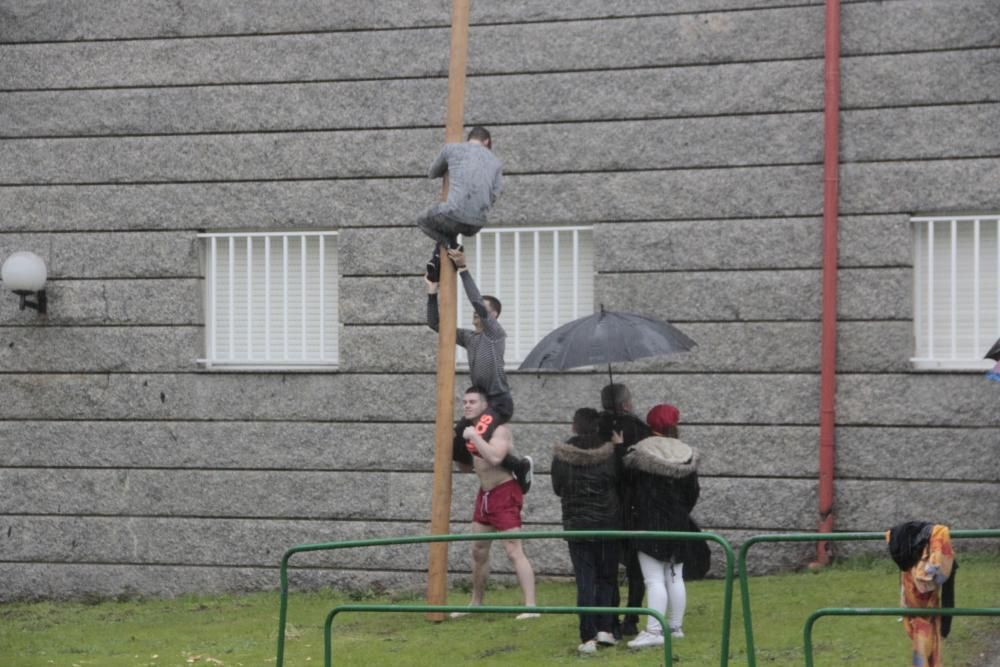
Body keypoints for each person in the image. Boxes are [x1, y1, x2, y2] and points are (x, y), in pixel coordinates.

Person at [426, 248, 533, 493]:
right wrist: (432, 293)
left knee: (478, 434)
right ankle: (499, 466)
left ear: (493, 316)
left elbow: (477, 301)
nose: (476, 311)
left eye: (483, 310)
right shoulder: (470, 338)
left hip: (499, 402)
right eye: (476, 310)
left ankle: (519, 466)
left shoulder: (495, 335)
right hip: (482, 403)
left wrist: (463, 269)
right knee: (456, 441)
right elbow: (435, 324)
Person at [450, 386, 539, 620]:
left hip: (505, 491)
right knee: (478, 550)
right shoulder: (470, 432)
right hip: (485, 494)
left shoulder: (499, 430)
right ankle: (476, 603)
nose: (466, 405)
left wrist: (474, 437)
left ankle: (531, 607)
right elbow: (469, 467)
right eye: (464, 402)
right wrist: (456, 449)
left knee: (513, 550)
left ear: (485, 406)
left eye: (472, 402)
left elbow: (495, 457)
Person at [624, 403, 701, 649]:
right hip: (679, 523)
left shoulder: (641, 453)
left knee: (654, 580)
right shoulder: (686, 453)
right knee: (675, 576)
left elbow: (631, 490)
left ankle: (654, 630)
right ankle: (675, 627)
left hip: (649, 523)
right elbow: (692, 493)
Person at [551, 408, 623, 654]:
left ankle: (587, 636)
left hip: (577, 526)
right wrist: (619, 447)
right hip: (608, 525)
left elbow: (558, 488)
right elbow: (620, 481)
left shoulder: (562, 456)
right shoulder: (609, 454)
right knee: (607, 578)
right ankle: (606, 629)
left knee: (585, 580)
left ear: (574, 427)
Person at [599, 382, 651, 637]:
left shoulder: (595, 428)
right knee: (635, 568)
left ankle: (610, 620)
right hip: (632, 506)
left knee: (607, 566)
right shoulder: (640, 430)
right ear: (626, 404)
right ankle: (631, 618)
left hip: (604, 505)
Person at [418, 126, 502, 257]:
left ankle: (449, 244)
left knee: (422, 220)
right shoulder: (496, 163)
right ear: (486, 141)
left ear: (470, 138)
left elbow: (432, 173)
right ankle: (445, 252)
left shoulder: (452, 149)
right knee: (449, 223)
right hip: (476, 225)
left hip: (452, 216)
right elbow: (494, 196)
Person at [887, 522, 958, 667]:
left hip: (918, 604)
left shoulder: (911, 559)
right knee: (925, 624)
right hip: (920, 604)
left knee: (923, 624)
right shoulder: (938, 538)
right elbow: (939, 578)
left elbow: (936, 579)